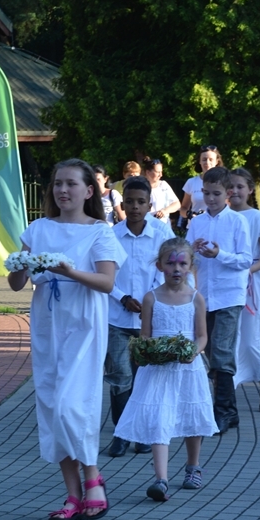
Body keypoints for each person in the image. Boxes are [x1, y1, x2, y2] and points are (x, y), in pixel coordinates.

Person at [8, 158, 125, 520]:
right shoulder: (38, 228)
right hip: (48, 323)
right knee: (50, 404)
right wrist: (19, 265)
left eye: (71, 184)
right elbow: (16, 284)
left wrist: (70, 271)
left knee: (71, 405)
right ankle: (73, 494)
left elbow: (107, 282)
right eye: (58, 183)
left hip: (83, 324)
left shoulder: (100, 232)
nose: (62, 190)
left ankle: (93, 477)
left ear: (89, 191)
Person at [113, 238, 216, 502]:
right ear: (160, 266)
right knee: (159, 417)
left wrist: (193, 352)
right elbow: (145, 335)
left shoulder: (196, 298)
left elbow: (202, 336)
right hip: (158, 369)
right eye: (170, 263)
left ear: (191, 266)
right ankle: (161, 479)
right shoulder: (151, 298)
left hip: (187, 368)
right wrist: (148, 351)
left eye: (182, 263)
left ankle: (193, 466)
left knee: (191, 415)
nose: (176, 269)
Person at [105, 177, 174, 457]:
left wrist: (150, 300)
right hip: (117, 319)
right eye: (130, 201)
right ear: (122, 204)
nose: (135, 207)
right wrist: (122, 297)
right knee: (120, 376)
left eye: (141, 202)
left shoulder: (161, 233)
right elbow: (104, 275)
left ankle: (143, 433)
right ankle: (122, 434)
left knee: (146, 378)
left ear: (149, 204)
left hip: (151, 320)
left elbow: (168, 269)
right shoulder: (111, 235)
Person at [185, 167, 252, 433]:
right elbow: (186, 257)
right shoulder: (197, 222)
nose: (210, 199)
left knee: (222, 351)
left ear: (228, 193)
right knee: (212, 351)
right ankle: (229, 410)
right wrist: (192, 251)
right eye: (206, 193)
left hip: (229, 295)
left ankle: (222, 411)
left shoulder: (237, 222)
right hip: (204, 295)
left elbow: (245, 260)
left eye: (216, 193)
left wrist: (219, 254)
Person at [227, 168, 260, 412]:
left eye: (239, 186)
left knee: (252, 339)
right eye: (230, 186)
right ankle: (226, 393)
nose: (234, 191)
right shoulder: (222, 216)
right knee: (229, 339)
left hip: (251, 284)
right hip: (227, 283)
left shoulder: (257, 217)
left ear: (250, 189)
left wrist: (250, 269)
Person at [179, 146, 223, 227]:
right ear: (199, 161)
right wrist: (189, 214)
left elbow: (229, 208)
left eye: (211, 159)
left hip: (217, 227)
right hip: (195, 228)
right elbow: (183, 209)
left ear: (217, 161)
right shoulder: (191, 182)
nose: (207, 162)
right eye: (204, 159)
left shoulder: (223, 182)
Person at [143, 159, 181, 225]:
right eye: (158, 172)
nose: (161, 175)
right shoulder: (140, 187)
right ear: (148, 172)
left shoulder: (163, 185)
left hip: (163, 225)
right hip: (145, 225)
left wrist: (164, 211)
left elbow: (177, 204)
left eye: (161, 172)